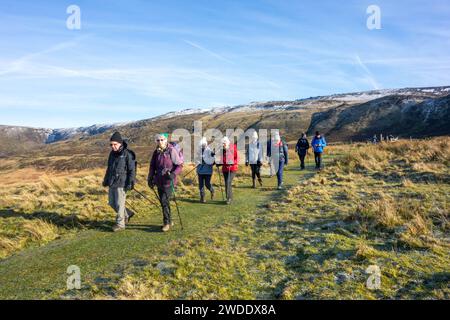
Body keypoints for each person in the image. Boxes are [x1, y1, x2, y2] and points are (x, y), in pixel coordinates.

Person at [147, 133, 183, 232]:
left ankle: (166, 223)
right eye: (158, 140)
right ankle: (169, 220)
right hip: (159, 181)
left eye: (162, 140)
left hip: (169, 181)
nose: (160, 142)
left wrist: (173, 174)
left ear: (166, 140)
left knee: (164, 201)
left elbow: (179, 165)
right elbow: (152, 167)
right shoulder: (156, 152)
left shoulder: (171, 150)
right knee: (164, 202)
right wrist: (150, 179)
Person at [102, 131, 136, 232]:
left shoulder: (127, 154)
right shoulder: (111, 154)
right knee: (112, 203)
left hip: (122, 182)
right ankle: (127, 214)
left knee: (119, 204)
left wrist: (130, 182)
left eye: (115, 144)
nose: (113, 146)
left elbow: (131, 170)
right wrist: (106, 180)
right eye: (111, 144)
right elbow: (109, 168)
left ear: (120, 143)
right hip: (112, 182)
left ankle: (120, 224)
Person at [216, 136, 238, 205]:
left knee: (228, 182)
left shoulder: (233, 148)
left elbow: (236, 158)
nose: (223, 145)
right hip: (225, 169)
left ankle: (229, 199)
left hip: (232, 168)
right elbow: (222, 160)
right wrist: (219, 164)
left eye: (224, 143)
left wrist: (232, 162)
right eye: (222, 144)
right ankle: (228, 197)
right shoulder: (222, 150)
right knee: (226, 183)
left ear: (227, 143)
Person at [196, 137, 215, 203]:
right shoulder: (198, 151)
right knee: (201, 185)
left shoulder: (210, 151)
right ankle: (202, 198)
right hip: (200, 171)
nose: (203, 146)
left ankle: (212, 190)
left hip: (208, 171)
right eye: (201, 145)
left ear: (206, 144)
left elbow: (212, 161)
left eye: (204, 145)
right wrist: (199, 161)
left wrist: (212, 157)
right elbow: (196, 160)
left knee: (207, 184)